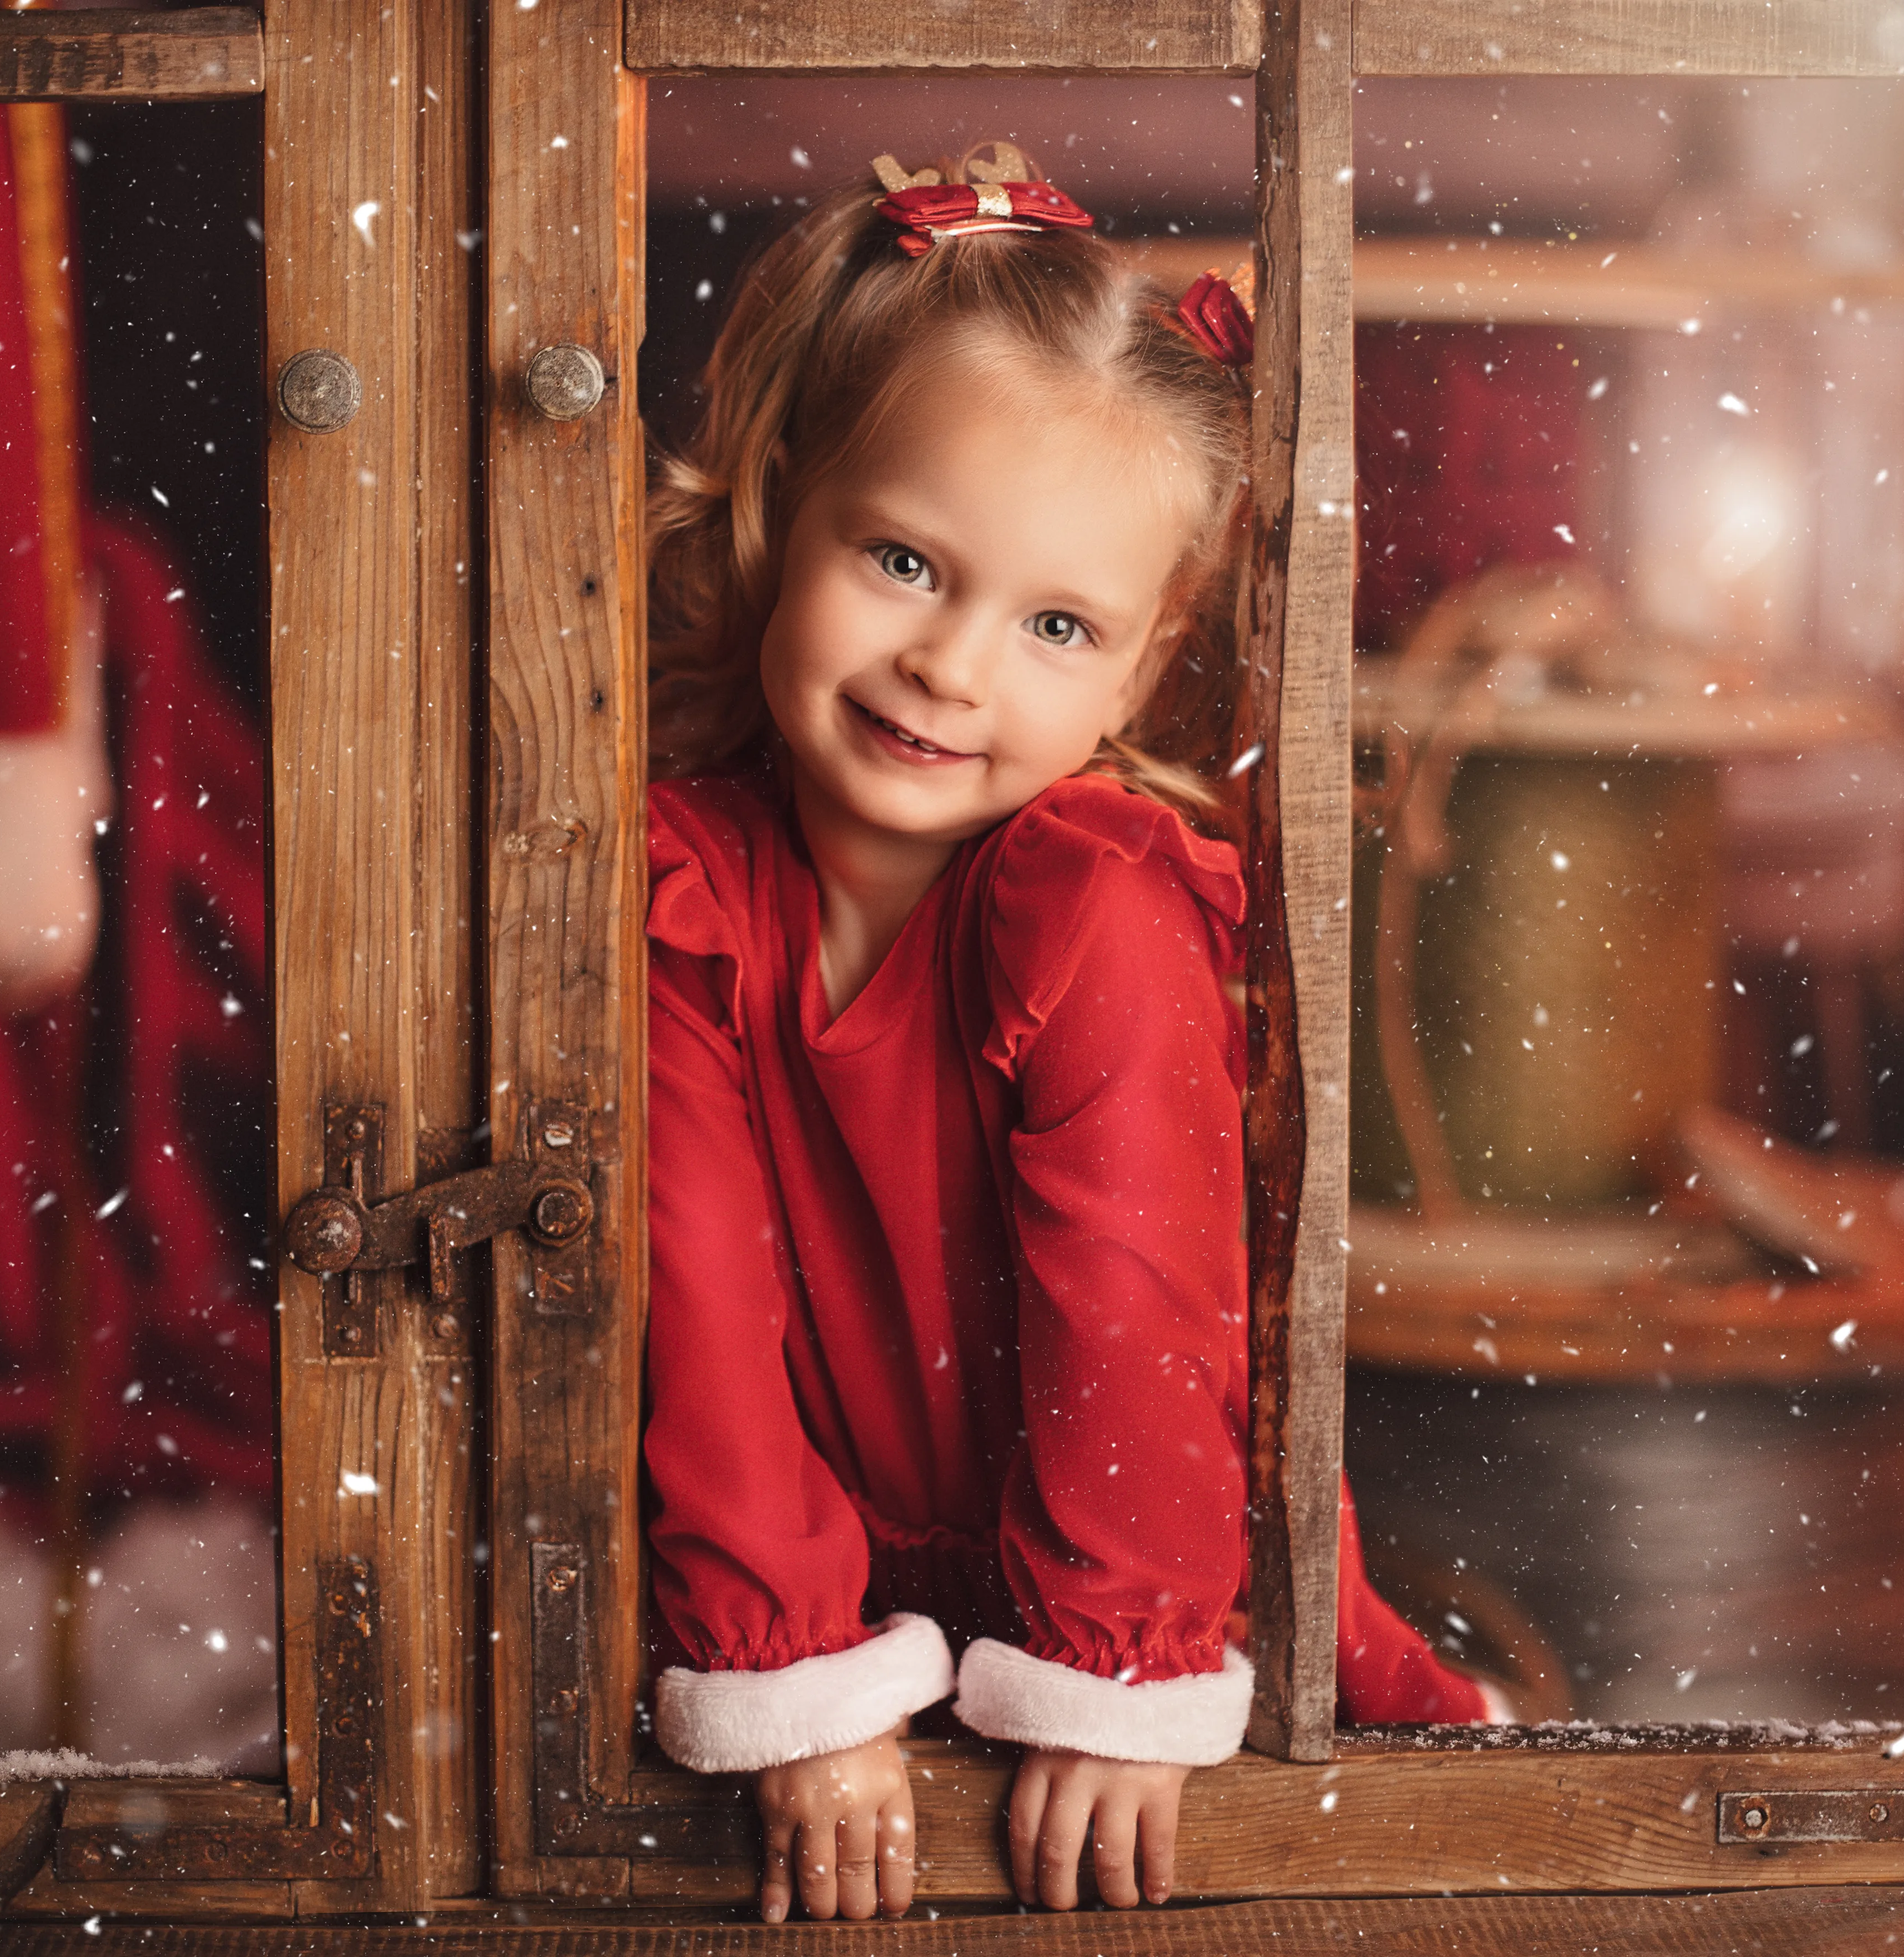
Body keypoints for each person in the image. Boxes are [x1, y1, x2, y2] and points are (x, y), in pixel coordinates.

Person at [640, 145, 1499, 1925]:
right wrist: (790, 1664)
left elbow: (1138, 1308)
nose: (952, 666)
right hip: (869, 1591)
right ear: (782, 507)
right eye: (899, 558)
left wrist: (1124, 1669)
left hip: (1169, 1579)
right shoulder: (679, 884)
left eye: (1053, 624)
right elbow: (690, 1298)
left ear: (1140, 656)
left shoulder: (1089, 902)